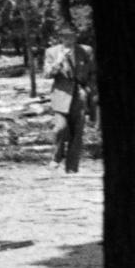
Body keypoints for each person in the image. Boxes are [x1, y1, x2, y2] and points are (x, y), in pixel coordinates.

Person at [44, 27, 97, 173]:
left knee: (77, 132)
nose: (69, 40)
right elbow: (47, 74)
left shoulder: (86, 51)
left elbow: (93, 73)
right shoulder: (52, 52)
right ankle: (56, 157)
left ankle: (72, 168)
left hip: (80, 95)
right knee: (60, 128)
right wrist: (58, 62)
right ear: (60, 37)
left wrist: (90, 91)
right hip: (61, 94)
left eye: (71, 36)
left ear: (76, 36)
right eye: (65, 37)